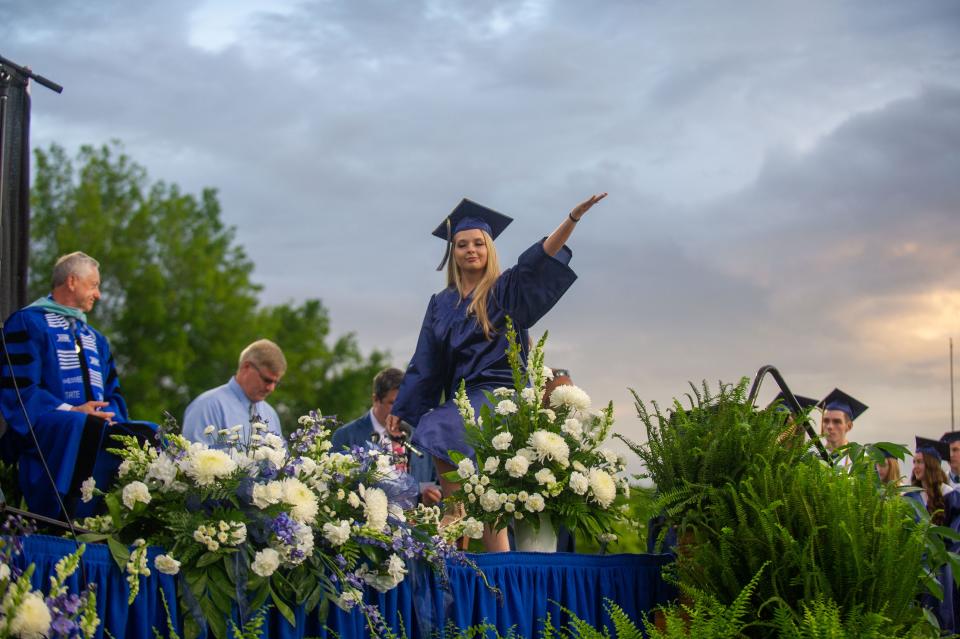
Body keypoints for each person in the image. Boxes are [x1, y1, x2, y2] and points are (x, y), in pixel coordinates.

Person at [386, 194, 607, 551]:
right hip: (465, 395)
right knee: (468, 470)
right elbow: (425, 362)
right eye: (462, 244)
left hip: (503, 393)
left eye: (478, 243)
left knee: (442, 423)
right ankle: (485, 539)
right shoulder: (441, 304)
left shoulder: (505, 289)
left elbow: (541, 257)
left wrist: (571, 219)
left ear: (489, 248)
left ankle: (455, 510)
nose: (470, 250)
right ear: (452, 252)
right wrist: (403, 409)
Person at [0, 252, 156, 519]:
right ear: (71, 281)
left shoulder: (96, 339)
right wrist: (72, 411)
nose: (99, 294)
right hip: (50, 432)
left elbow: (113, 394)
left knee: (148, 433)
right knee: (82, 425)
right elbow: (21, 390)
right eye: (94, 285)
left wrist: (111, 420)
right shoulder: (28, 323)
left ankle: (121, 519)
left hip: (92, 429)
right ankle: (64, 517)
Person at [331, 367, 441, 506]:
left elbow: (438, 484)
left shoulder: (423, 437)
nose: (402, 410)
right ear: (376, 399)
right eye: (394, 403)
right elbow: (335, 491)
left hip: (417, 525)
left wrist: (430, 497)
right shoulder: (345, 436)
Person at [183, 339, 285, 446]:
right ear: (246, 367)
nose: (271, 388)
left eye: (276, 382)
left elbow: (283, 460)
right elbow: (192, 459)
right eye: (267, 380)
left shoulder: (271, 415)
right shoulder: (207, 406)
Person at [817, 388, 867, 461]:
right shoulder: (811, 458)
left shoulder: (860, 459)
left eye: (837, 421)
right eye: (826, 421)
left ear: (849, 426)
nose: (830, 426)